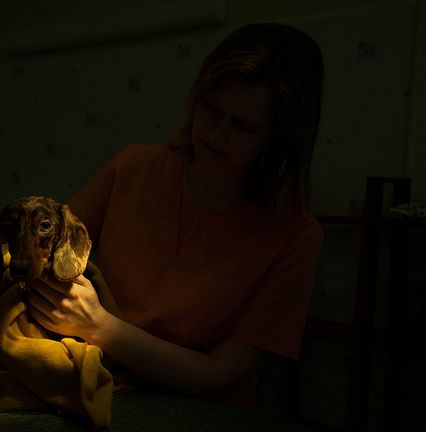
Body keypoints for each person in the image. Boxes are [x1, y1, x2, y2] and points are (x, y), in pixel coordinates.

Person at [26, 22, 325, 406]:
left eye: (243, 126)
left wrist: (99, 326)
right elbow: (41, 253)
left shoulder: (294, 234)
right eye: (211, 108)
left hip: (198, 412)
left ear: (280, 138)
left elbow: (222, 374)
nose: (216, 134)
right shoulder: (131, 169)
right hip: (94, 380)